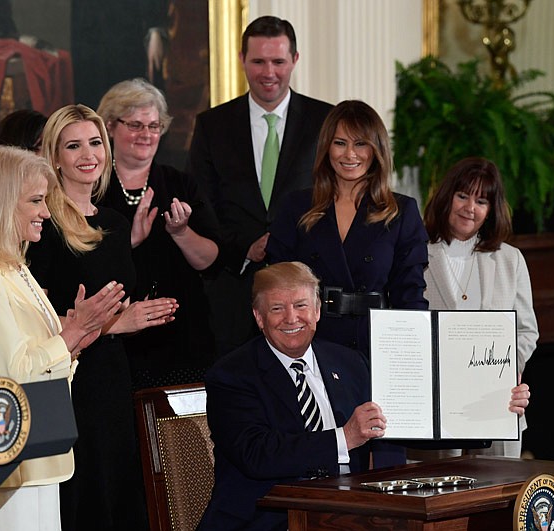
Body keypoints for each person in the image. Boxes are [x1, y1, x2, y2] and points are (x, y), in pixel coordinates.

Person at [0, 145, 125, 531]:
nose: (46, 212)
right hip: (6, 455)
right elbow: (17, 371)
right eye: (36, 201)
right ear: (1, 201)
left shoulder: (13, 268)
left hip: (39, 448)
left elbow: (44, 363)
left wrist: (77, 340)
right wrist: (72, 332)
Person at [27, 103, 176, 530]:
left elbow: (111, 298)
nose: (88, 154)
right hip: (70, 380)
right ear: (54, 157)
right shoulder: (43, 225)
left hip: (114, 376)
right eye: (73, 146)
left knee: (118, 494)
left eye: (95, 142)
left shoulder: (113, 220)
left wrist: (135, 314)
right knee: (85, 497)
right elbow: (32, 315)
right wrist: (114, 324)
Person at [198, 261, 403, 531]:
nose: (291, 318)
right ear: (259, 317)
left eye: (301, 306)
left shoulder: (351, 363)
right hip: (265, 520)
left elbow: (387, 435)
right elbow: (257, 455)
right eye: (277, 308)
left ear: (317, 311)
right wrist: (344, 437)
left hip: (348, 515)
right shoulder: (231, 375)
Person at [186, 15, 333, 356]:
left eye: (278, 61)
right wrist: (243, 251)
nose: (269, 73)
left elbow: (334, 198)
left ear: (294, 60)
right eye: (258, 62)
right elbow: (202, 202)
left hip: (306, 296)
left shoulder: (325, 121)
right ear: (242, 60)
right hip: (233, 297)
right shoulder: (212, 125)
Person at [266, 100, 429, 355]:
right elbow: (275, 288)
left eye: (360, 143)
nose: (350, 155)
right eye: (340, 143)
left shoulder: (401, 211)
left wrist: (412, 357)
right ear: (326, 148)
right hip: (309, 347)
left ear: (376, 150)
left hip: (376, 348)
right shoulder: (296, 207)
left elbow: (410, 297)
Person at [97, 78, 220, 389]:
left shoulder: (180, 183)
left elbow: (211, 260)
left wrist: (180, 233)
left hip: (182, 339)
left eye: (154, 126)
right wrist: (130, 242)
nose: (146, 135)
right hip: (113, 339)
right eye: (136, 125)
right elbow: (79, 262)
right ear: (110, 126)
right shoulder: (93, 189)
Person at [418, 156, 538, 459]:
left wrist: (505, 369)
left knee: (499, 494)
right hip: (436, 403)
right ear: (446, 197)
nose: (469, 208)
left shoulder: (510, 259)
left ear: (491, 210)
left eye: (481, 201)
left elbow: (526, 330)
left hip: (497, 402)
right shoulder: (415, 254)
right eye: (462, 196)